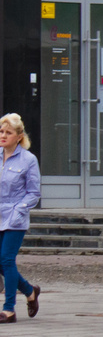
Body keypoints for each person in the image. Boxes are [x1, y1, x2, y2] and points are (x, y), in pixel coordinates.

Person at [0, 113, 42, 323]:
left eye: (8, 132)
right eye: (1, 131)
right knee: (1, 263)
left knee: (7, 259)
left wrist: (19, 210)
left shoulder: (28, 160)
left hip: (15, 218)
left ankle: (9, 309)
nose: (3, 136)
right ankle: (30, 291)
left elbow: (34, 192)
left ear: (19, 136)